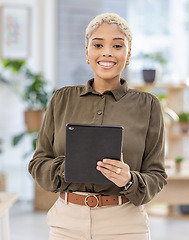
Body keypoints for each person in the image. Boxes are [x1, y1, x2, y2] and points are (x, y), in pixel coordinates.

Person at [28, 13, 167, 240]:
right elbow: (38, 164)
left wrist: (129, 179)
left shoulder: (148, 105)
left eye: (117, 45)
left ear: (128, 54)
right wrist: (69, 167)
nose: (107, 52)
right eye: (98, 44)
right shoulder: (61, 99)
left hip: (125, 225)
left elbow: (157, 175)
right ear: (87, 52)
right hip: (67, 224)